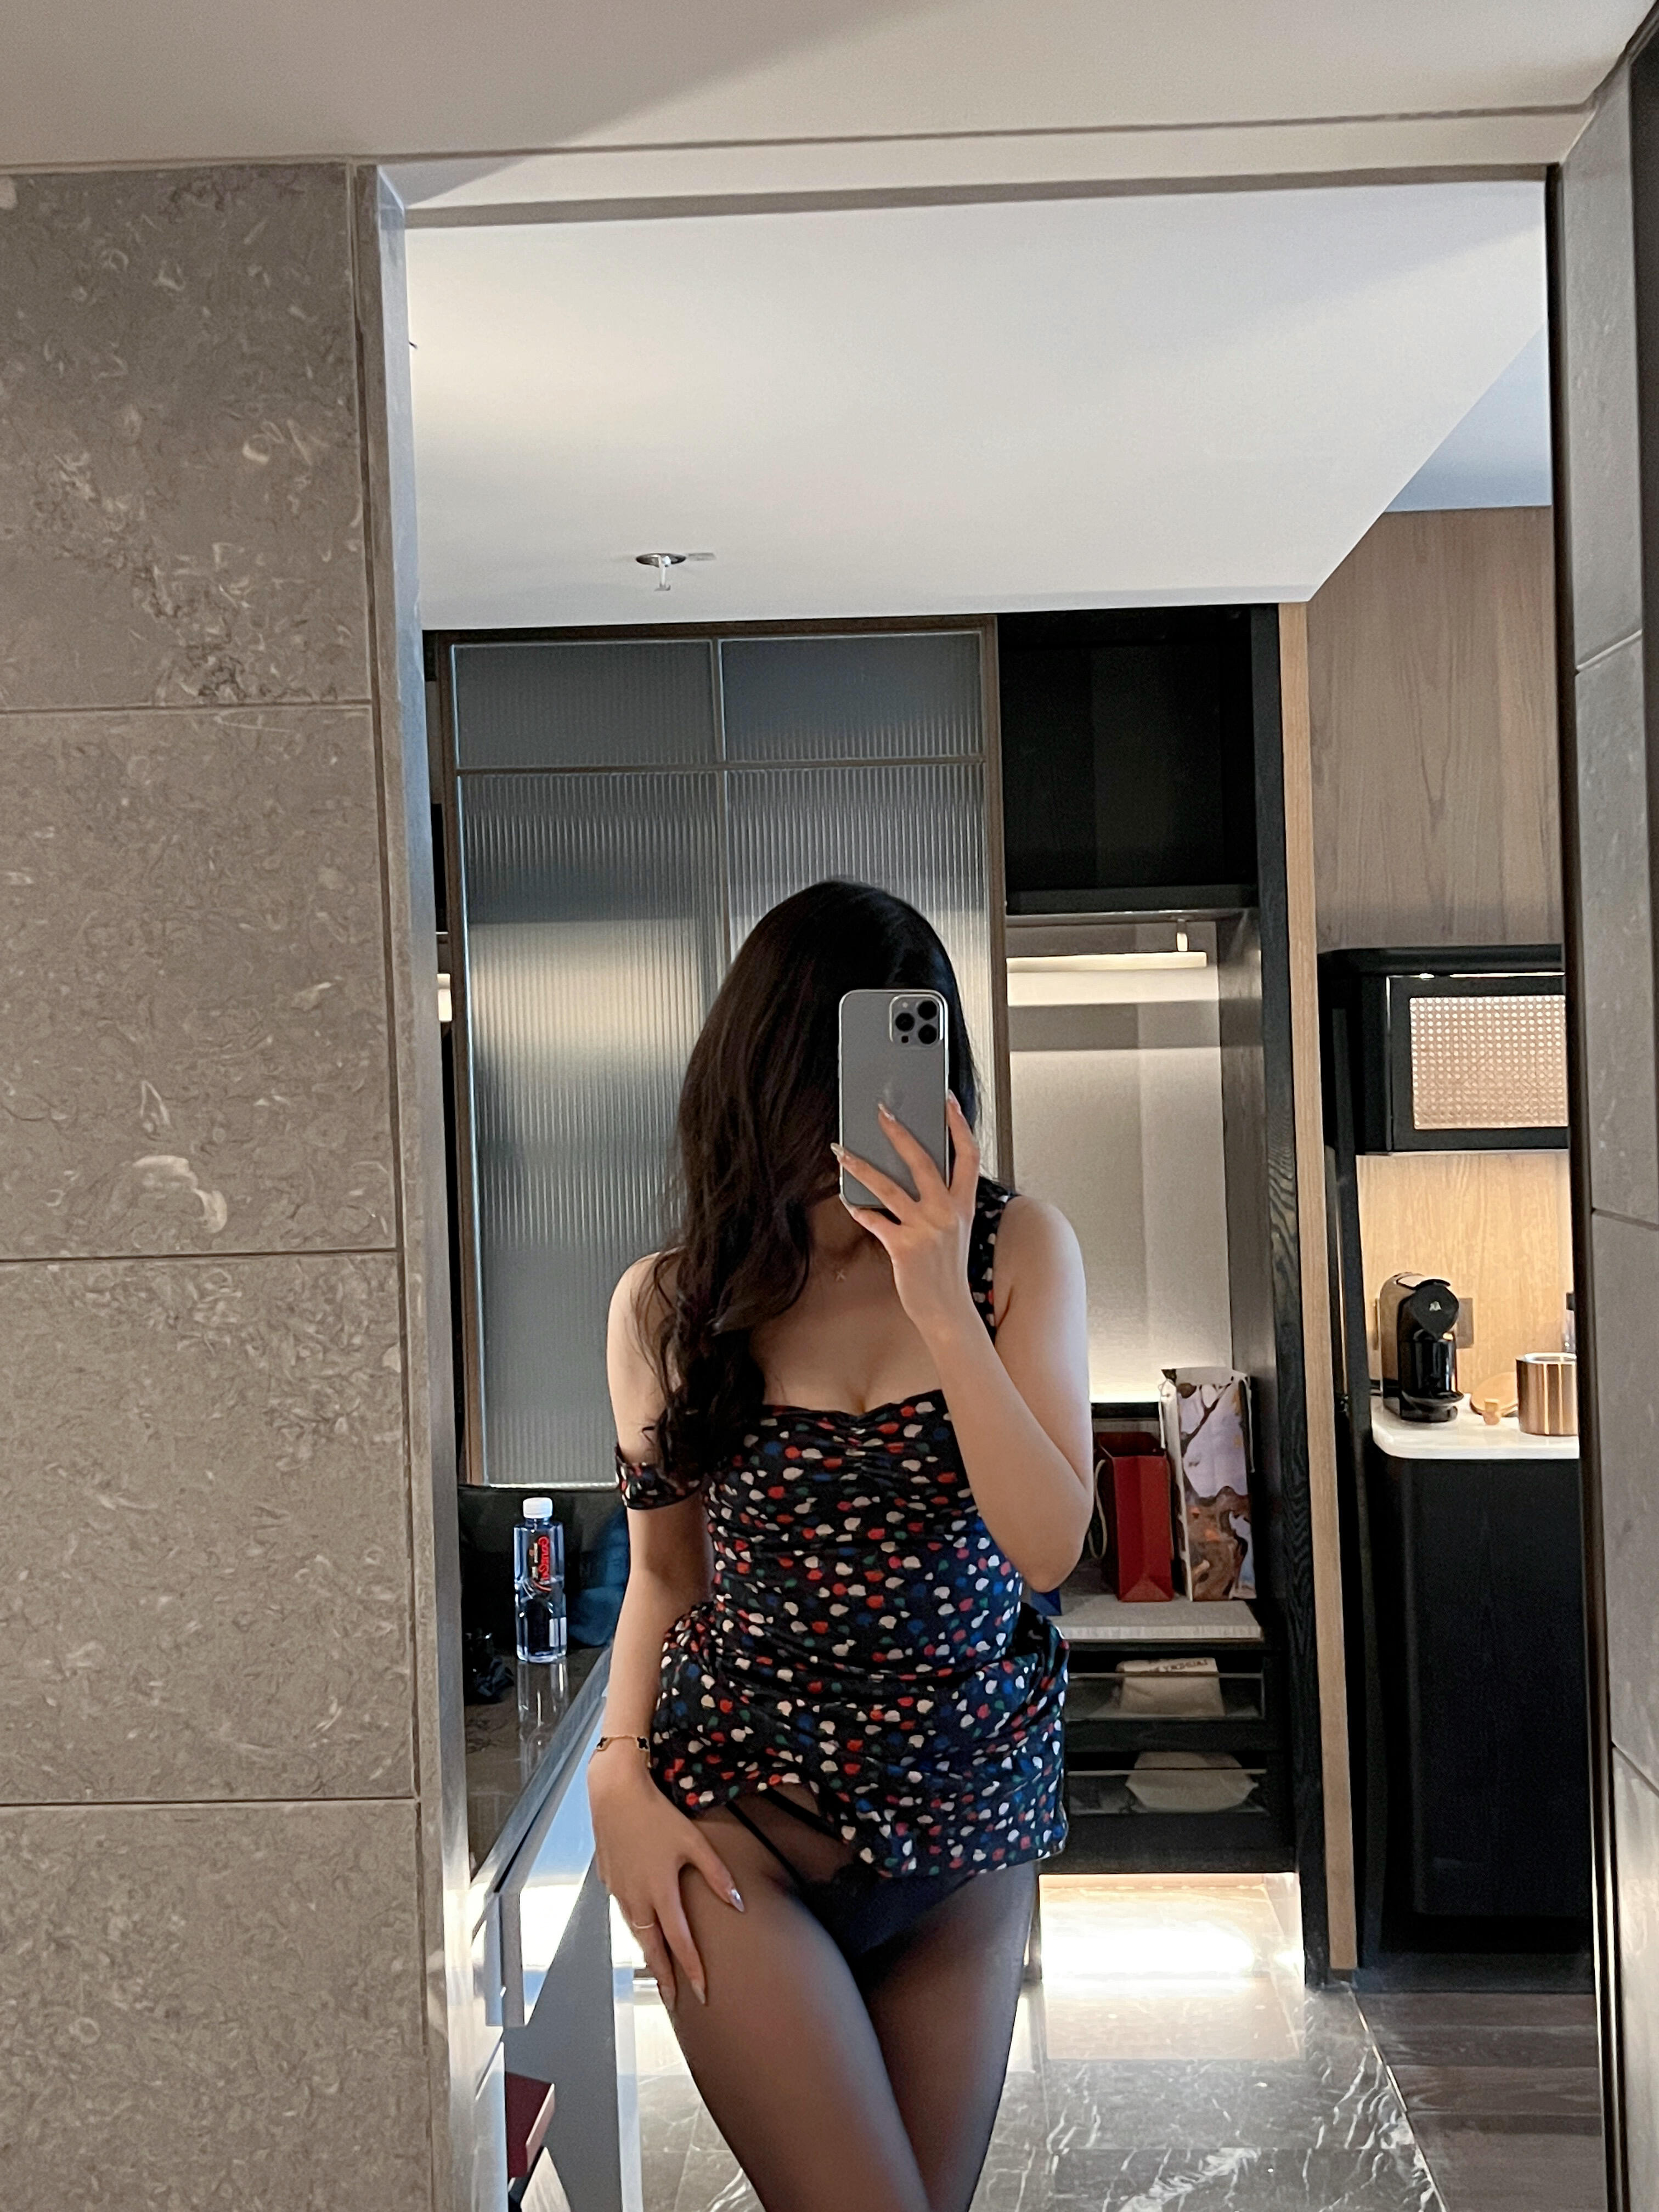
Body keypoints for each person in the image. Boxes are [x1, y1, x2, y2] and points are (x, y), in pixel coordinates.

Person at [590, 879, 1091, 2212]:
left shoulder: (1017, 1254)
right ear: (766, 1076)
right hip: (743, 1820)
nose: (867, 1115)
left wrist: (941, 1305)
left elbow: (1048, 1548)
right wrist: (616, 1776)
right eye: (832, 1076)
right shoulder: (669, 1305)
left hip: (965, 1834)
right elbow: (667, 1575)